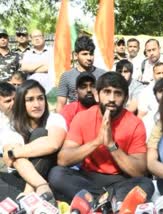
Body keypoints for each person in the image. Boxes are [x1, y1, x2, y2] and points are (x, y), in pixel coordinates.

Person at [48, 72, 154, 203]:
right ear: (97, 95)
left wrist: (111, 145)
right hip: (88, 178)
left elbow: (139, 172)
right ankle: (109, 202)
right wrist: (97, 142)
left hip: (120, 180)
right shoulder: (82, 117)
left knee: (146, 184)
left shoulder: (135, 123)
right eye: (107, 92)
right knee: (57, 174)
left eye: (118, 93)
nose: (112, 99)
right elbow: (63, 160)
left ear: (126, 99)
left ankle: (96, 202)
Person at [0, 80, 67, 201]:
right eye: (30, 100)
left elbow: (53, 144)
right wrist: (41, 185)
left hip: (50, 174)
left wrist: (14, 152)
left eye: (40, 98)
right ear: (21, 103)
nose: (37, 104)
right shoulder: (12, 126)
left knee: (40, 133)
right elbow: (12, 162)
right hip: (23, 177)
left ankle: (27, 198)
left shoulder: (54, 118)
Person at [56, 36, 105, 113]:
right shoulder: (66, 76)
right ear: (76, 55)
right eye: (85, 54)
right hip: (74, 118)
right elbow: (61, 104)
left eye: (91, 54)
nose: (89, 58)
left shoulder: (103, 75)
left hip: (97, 117)